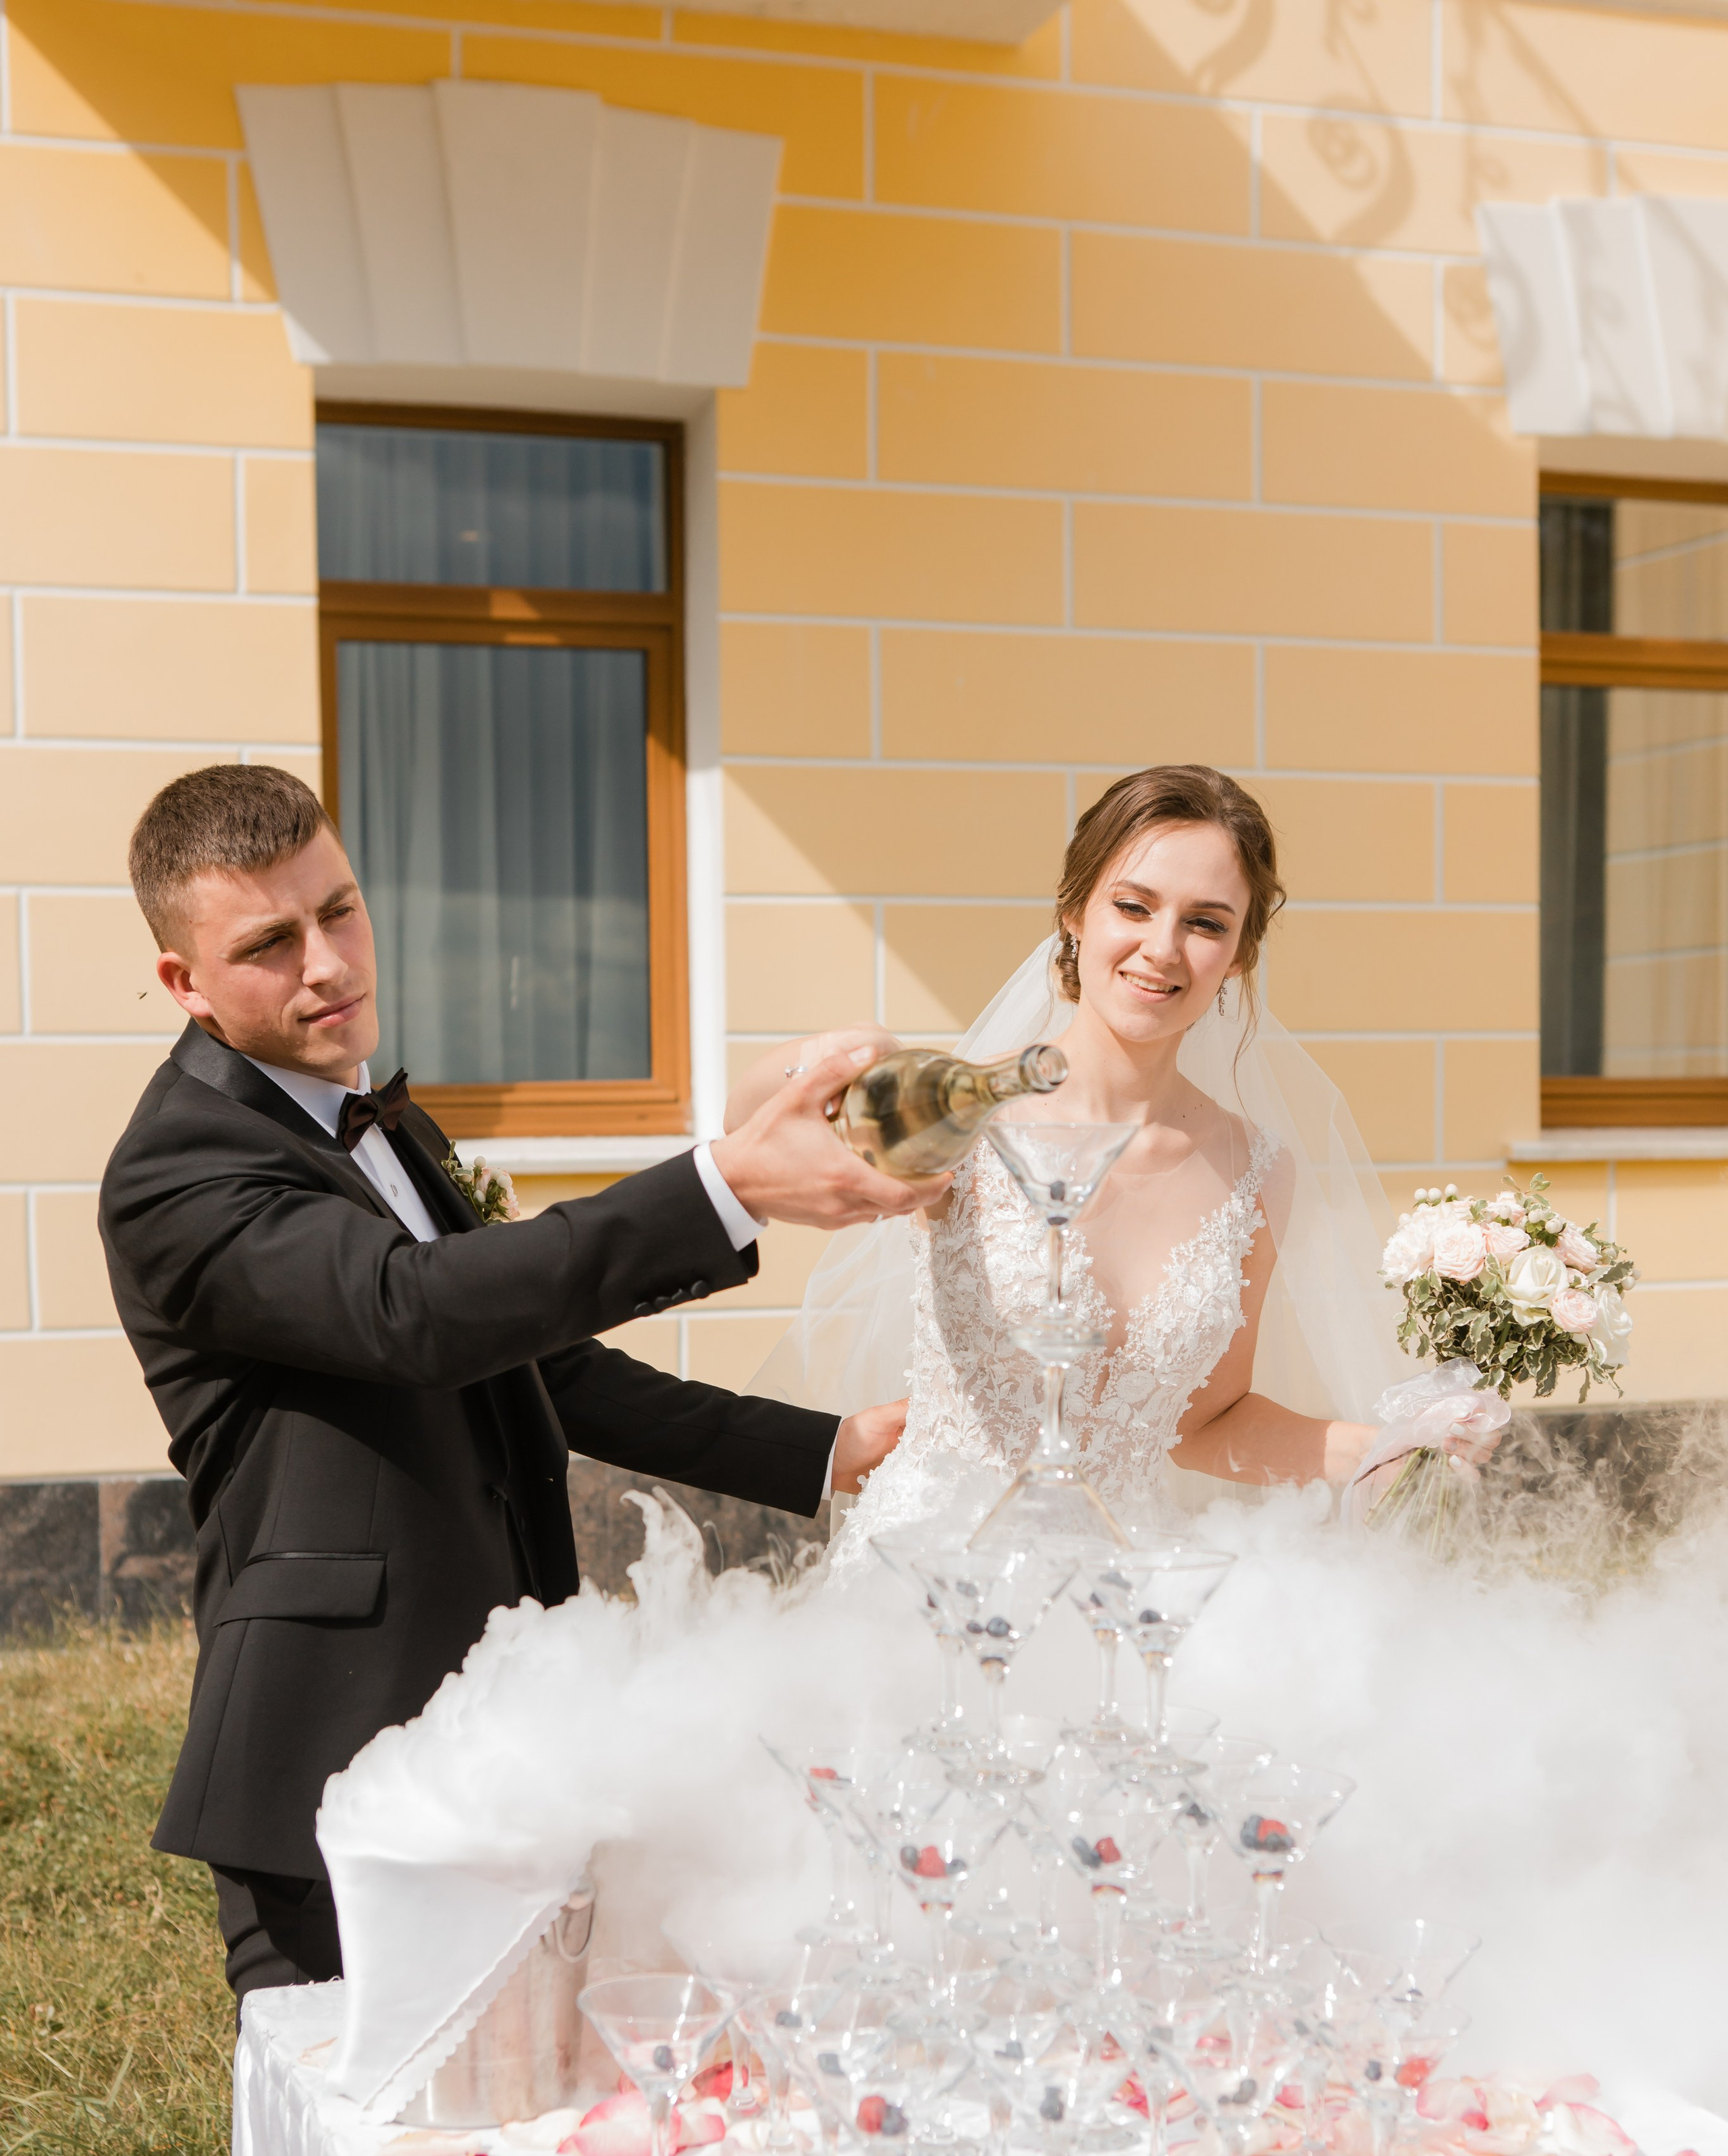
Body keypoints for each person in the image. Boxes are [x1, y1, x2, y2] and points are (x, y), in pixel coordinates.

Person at [99, 765, 936, 2004]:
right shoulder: (178, 1171)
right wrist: (725, 1186)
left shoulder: (388, 1124)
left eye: (340, 910)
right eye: (271, 943)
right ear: (185, 983)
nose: (328, 962)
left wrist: (825, 1449)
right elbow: (417, 1316)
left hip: (503, 1713)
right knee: (356, 2135)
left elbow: (540, 1367)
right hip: (329, 1754)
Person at [734, 765, 1499, 1557]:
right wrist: (820, 1062)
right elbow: (752, 1135)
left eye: (1206, 923)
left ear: (1238, 953)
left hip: (1126, 1579)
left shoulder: (1256, 1169)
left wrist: (1387, 1448)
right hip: (938, 1569)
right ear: (1074, 913)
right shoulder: (963, 1112)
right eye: (1132, 907)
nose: (1161, 949)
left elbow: (1204, 1423)